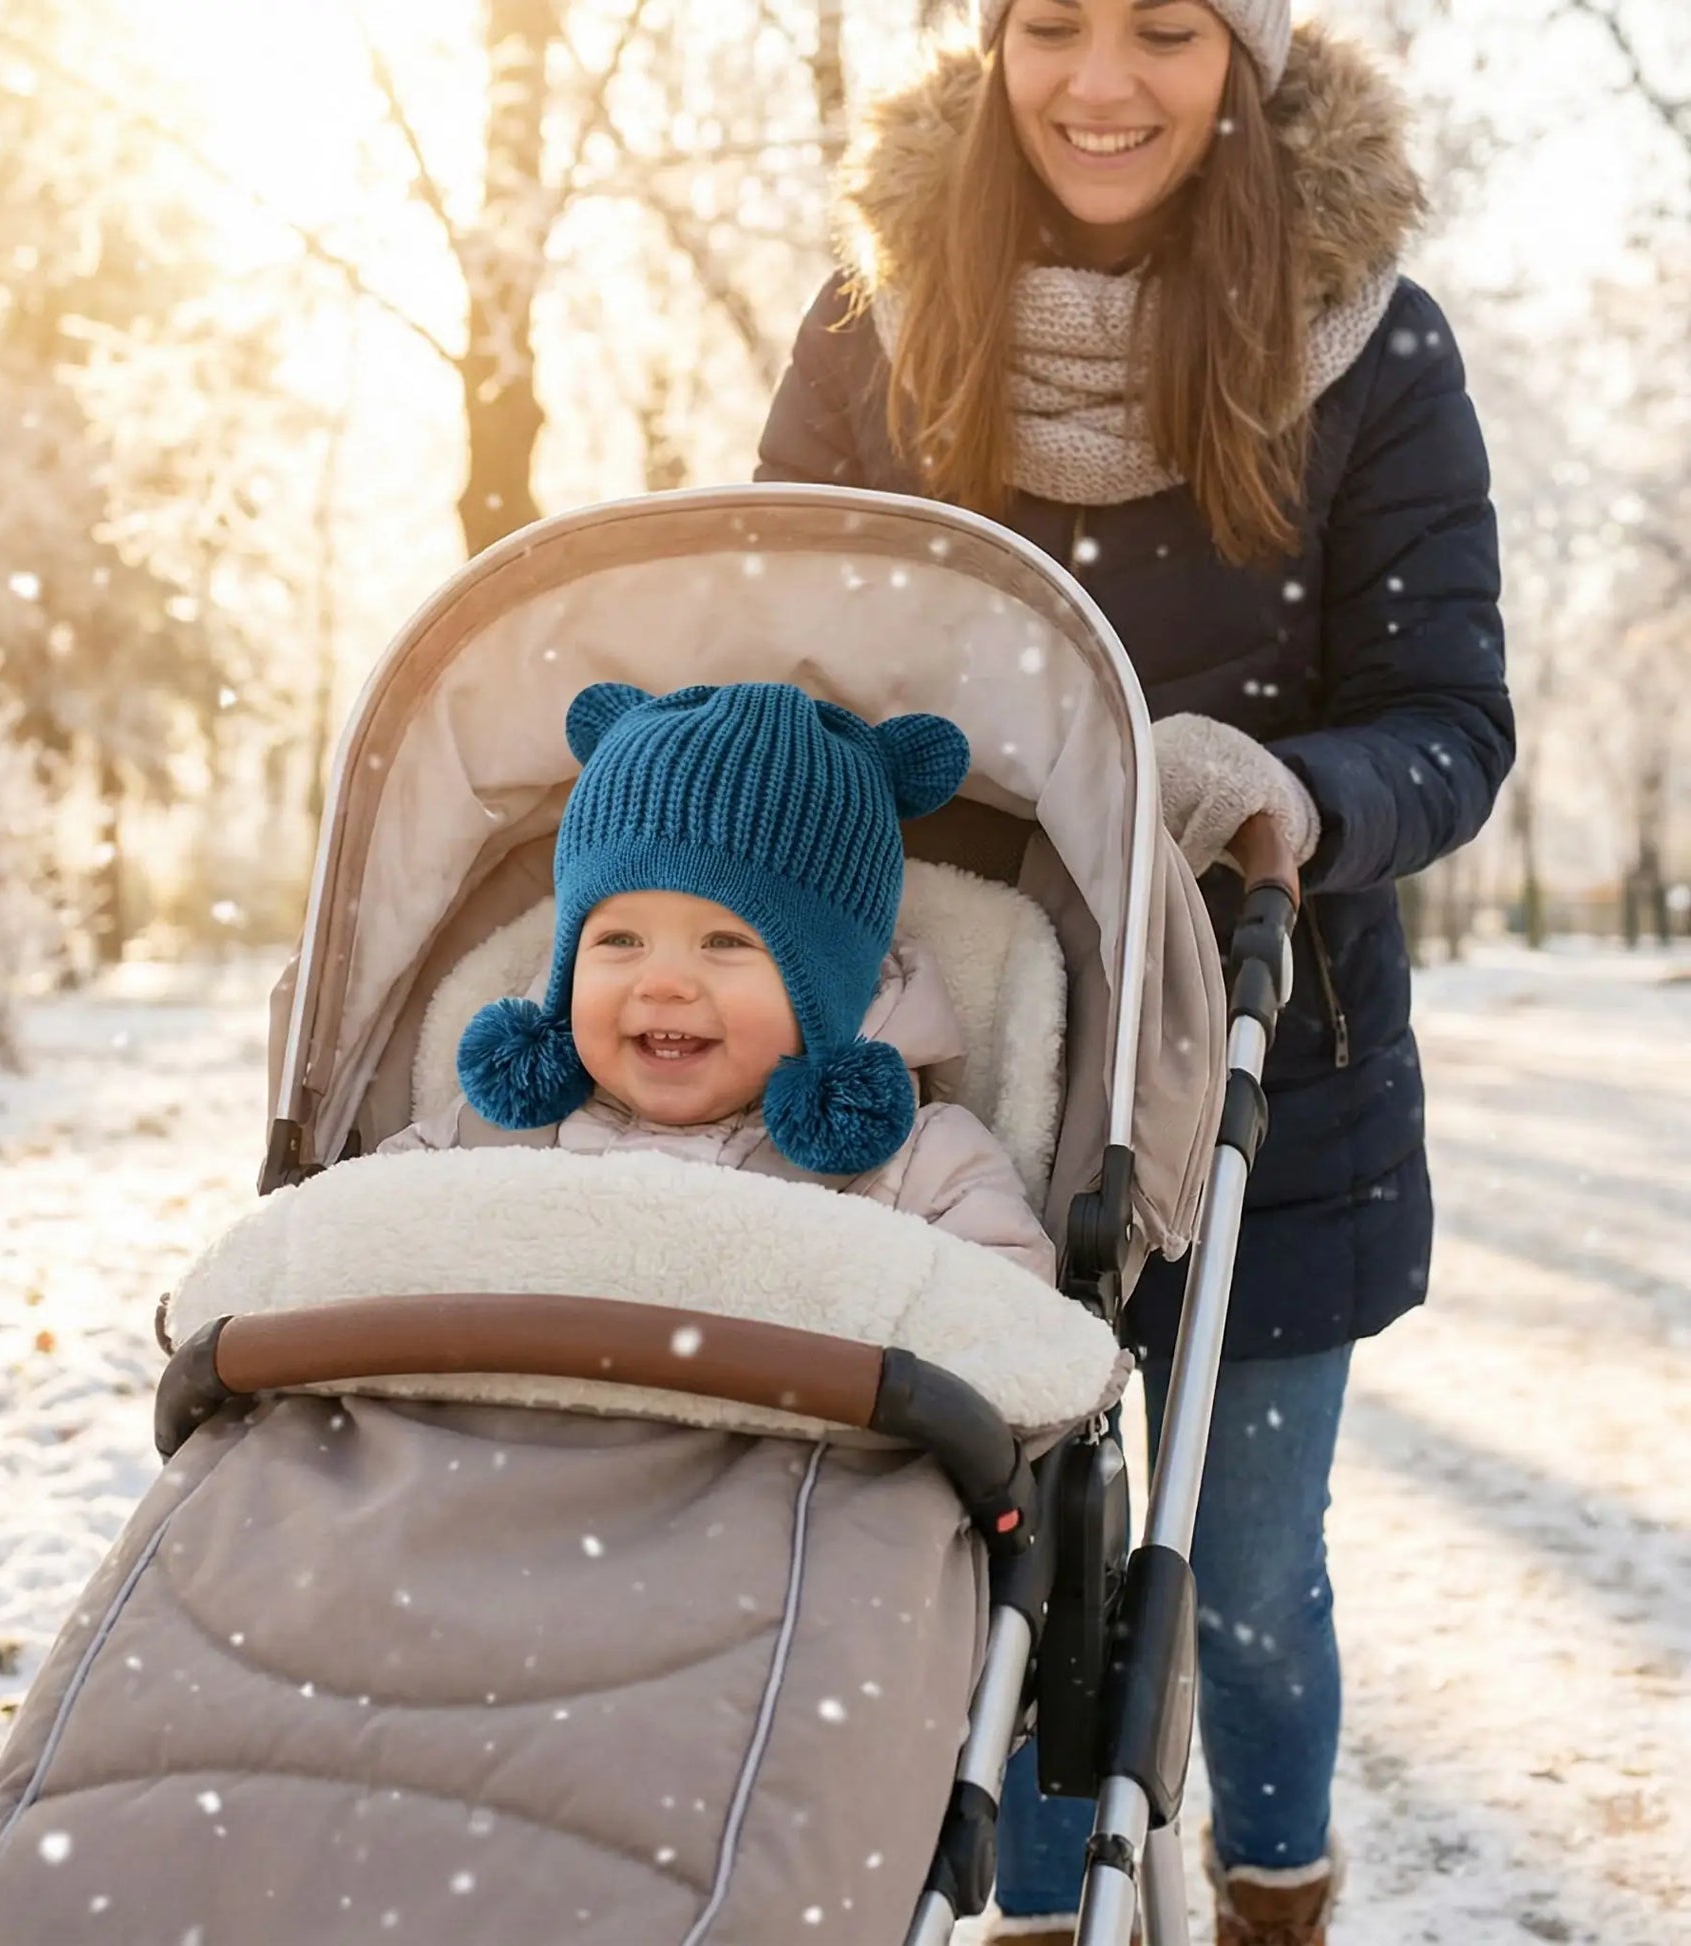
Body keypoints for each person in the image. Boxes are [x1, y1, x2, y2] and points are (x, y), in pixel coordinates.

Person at [755, 2, 1513, 1941]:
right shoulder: (878, 321)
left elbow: (1447, 722)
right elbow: (790, 660)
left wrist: (1290, 789)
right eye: (1053, 25)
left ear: (1243, 62)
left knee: (1243, 1573)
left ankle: (1271, 1895)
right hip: (965, 1063)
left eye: (1166, 29)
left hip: (1277, 1063)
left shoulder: (1370, 343)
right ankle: (1032, 1915)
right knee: (1004, 1553)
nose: (1102, 82)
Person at [382, 679, 1057, 1285]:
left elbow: (1010, 1318)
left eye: (726, 942)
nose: (664, 983)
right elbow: (350, 1240)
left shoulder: (917, 1164)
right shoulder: (487, 1136)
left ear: (828, 986)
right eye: (620, 940)